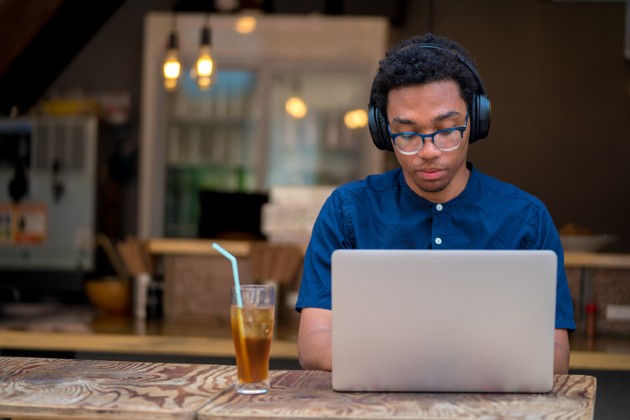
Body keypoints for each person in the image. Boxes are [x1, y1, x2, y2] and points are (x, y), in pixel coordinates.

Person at [295, 32, 576, 374]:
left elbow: (555, 355)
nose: (429, 151)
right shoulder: (346, 211)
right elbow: (314, 343)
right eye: (408, 134)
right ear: (383, 133)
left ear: (475, 121)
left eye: (446, 129)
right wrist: (433, 363)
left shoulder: (526, 219)